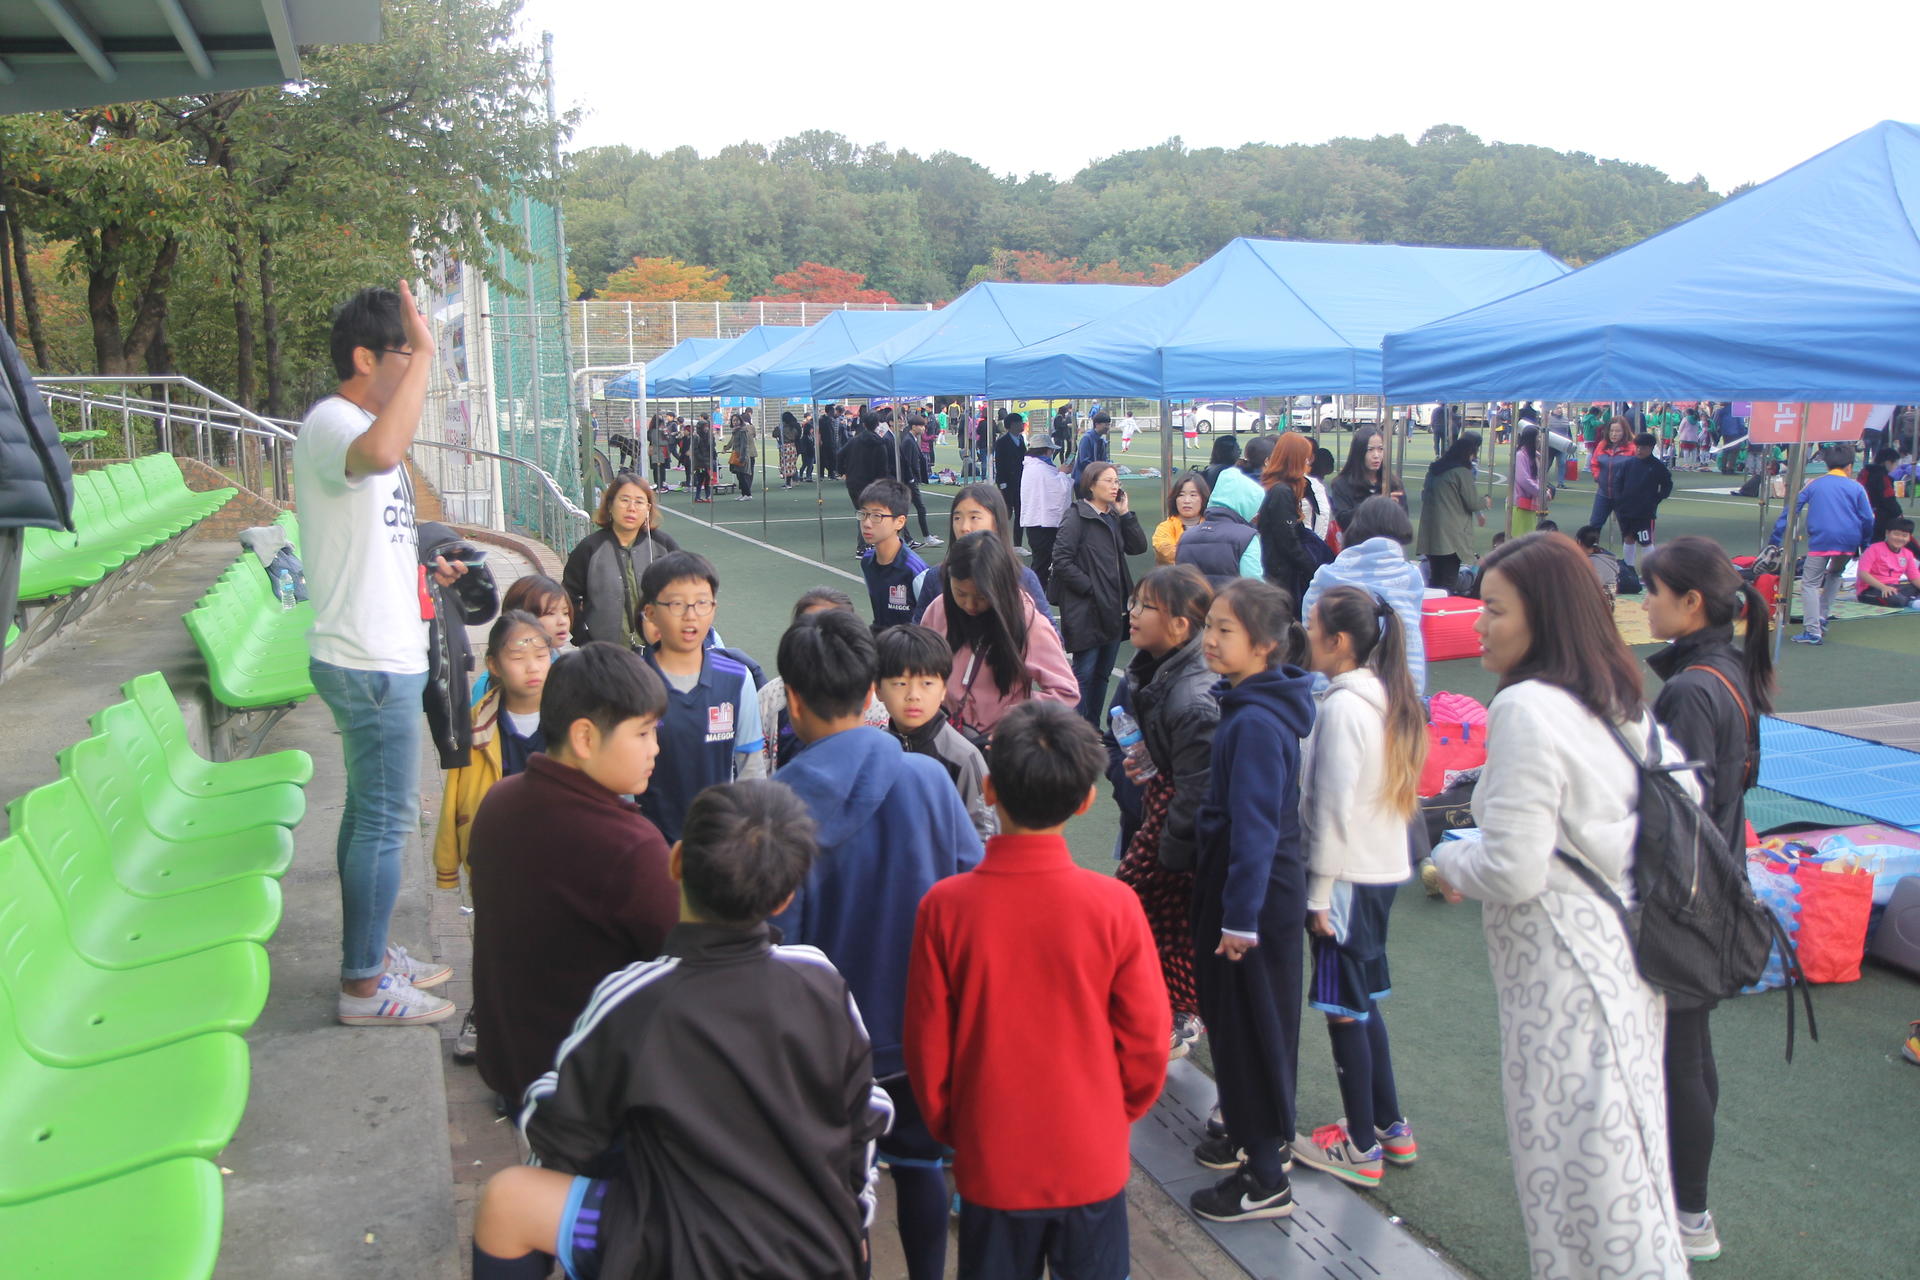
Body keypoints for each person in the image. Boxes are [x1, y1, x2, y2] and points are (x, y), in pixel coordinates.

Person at [474, 780, 889, 1280]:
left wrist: (545, 1089)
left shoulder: (635, 997)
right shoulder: (822, 983)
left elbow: (561, 1131)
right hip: (814, 1249)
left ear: (675, 862)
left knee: (507, 1199)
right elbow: (867, 1115)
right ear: (785, 898)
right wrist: (853, 1221)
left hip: (670, 1251)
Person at [1429, 532, 1693, 1280]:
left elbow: (1513, 869)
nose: (1478, 623)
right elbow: (1683, 798)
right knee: (1624, 1161)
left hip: (1559, 973)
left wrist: (1448, 855)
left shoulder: (1526, 707)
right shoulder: (1616, 694)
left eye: (1494, 609)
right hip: (1624, 953)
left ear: (1541, 617)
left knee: (1571, 1175)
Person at [905, 701, 1167, 1279]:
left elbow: (927, 1045)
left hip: (991, 1155)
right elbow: (1148, 1041)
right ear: (1086, 801)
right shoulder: (1114, 907)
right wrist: (1109, 1114)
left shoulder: (946, 908)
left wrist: (961, 1127)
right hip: (1091, 1158)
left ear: (990, 790)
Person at [771, 609, 983, 1280]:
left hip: (824, 1043)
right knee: (921, 1168)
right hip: (920, 1030)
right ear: (871, 694)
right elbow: (971, 889)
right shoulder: (926, 781)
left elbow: (776, 942)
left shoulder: (774, 806)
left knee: (834, 1185)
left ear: (793, 699)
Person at [296, 283, 464, 1027]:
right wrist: (430, 351)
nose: (419, 363)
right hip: (369, 660)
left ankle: (370, 953)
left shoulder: (357, 430)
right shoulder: (336, 423)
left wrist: (428, 574)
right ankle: (362, 987)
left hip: (380, 652)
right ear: (367, 357)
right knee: (386, 821)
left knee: (369, 813)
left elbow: (375, 539)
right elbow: (387, 448)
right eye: (406, 349)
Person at [1639, 535, 1773, 1264]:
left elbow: (1674, 812)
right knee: (1690, 1051)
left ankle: (1689, 1211)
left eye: (1653, 593)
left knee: (1681, 1056)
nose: (1644, 603)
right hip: (1717, 885)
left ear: (1691, 603)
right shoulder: (1727, 672)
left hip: (1689, 896)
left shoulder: (1693, 688)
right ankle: (1686, 1202)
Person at [469, 642, 680, 1107]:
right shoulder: (630, 845)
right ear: (585, 738)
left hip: (514, 1064)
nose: (656, 748)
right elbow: (681, 958)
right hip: (591, 1084)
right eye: (643, 733)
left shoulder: (500, 801)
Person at [1186, 578, 1315, 1223]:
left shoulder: (1258, 722)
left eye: (1225, 630)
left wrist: (1240, 919)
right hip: (1242, 893)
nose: (1209, 639)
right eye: (1208, 625)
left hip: (1254, 905)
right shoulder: (1245, 706)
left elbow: (1257, 829)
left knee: (1251, 1030)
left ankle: (1266, 1176)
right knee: (1238, 1024)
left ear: (1265, 645)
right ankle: (1248, 1140)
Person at [1291, 586, 1424, 1187]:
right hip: (1375, 872)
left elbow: (1331, 807)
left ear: (1338, 642)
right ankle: (1389, 1126)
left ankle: (1361, 1147)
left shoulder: (1344, 708)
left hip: (1345, 879)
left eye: (1311, 626)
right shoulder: (1384, 696)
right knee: (1362, 1003)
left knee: (1345, 1010)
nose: (1305, 634)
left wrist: (1317, 894)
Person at [1113, 565, 1219, 1061]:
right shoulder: (1156, 665)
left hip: (1180, 823)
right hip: (1165, 808)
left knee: (1149, 906)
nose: (1132, 614)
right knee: (1151, 914)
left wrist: (1171, 853)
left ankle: (1181, 1011)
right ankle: (1168, 1006)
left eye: (1145, 606)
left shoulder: (1194, 697)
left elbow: (1196, 792)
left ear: (1180, 625)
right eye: (1134, 603)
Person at [634, 551, 767, 843]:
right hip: (648, 846)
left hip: (718, 845)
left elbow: (751, 769)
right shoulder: (630, 680)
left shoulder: (736, 678)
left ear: (714, 608)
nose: (691, 615)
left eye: (702, 603)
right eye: (677, 604)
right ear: (651, 612)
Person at [435, 611, 553, 893]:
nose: (532, 667)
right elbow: (454, 794)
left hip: (558, 861)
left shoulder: (573, 721)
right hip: (494, 863)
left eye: (541, 655)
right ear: (494, 665)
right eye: (517, 658)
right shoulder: (473, 725)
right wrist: (447, 864)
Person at [920, 531, 1078, 741]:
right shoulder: (939, 609)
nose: (969, 604)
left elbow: (1065, 691)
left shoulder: (1028, 623)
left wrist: (1013, 721)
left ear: (1000, 588)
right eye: (960, 593)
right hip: (944, 735)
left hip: (996, 746)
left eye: (981, 596)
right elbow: (919, 665)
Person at [877, 624, 996, 842]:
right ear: (878, 690)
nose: (913, 695)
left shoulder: (963, 758)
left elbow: (985, 837)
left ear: (943, 690)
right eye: (900, 683)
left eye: (927, 683)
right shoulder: (873, 752)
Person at [1052, 460, 1149, 723]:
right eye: (1108, 480)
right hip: (1087, 609)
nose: (1115, 486)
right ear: (1090, 484)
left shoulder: (1114, 516)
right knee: (1084, 673)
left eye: (1117, 481)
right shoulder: (1076, 515)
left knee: (1102, 674)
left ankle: (1092, 727)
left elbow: (1138, 547)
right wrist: (1091, 588)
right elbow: (1061, 561)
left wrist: (1126, 514)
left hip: (1114, 609)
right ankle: (1076, 731)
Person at [1302, 496, 1428, 693]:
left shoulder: (1325, 576)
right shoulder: (1410, 577)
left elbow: (1307, 628)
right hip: (1397, 689)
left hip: (1326, 688)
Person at [1772, 442, 1875, 644]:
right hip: (1849, 540)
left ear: (1827, 464)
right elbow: (1868, 518)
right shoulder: (1856, 487)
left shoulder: (1815, 484)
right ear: (1849, 466)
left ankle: (1812, 630)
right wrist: (1865, 541)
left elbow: (1792, 509)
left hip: (1822, 540)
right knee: (1835, 574)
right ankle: (1822, 616)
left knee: (1810, 583)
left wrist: (1775, 538)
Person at [563, 472, 680, 649]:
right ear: (610, 505)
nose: (631, 508)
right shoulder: (589, 548)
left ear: (648, 509)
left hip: (659, 653)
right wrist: (583, 637)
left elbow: (685, 591)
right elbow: (567, 598)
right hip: (605, 655)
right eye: (624, 500)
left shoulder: (664, 545)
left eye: (639, 502)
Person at [909, 483, 1051, 626]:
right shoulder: (936, 577)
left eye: (974, 517)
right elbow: (920, 633)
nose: (964, 527)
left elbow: (1050, 636)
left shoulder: (1023, 577)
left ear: (996, 522)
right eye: (957, 518)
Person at [1256, 433, 1326, 602]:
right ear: (1295, 460)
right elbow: (1288, 541)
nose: (1308, 464)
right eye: (1305, 459)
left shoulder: (1277, 488)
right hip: (1281, 577)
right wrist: (1312, 568)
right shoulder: (1282, 492)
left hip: (1278, 572)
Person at [1415, 431, 1488, 593]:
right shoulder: (1462, 472)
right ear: (1468, 453)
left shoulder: (1434, 470)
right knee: (1449, 581)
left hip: (1430, 534)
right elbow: (1472, 502)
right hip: (1451, 537)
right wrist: (1485, 502)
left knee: (1435, 579)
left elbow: (1423, 495)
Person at [857, 478, 930, 631]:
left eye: (877, 516)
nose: (867, 523)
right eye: (863, 514)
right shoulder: (867, 561)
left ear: (900, 522)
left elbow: (932, 624)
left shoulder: (916, 571)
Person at [1175, 460, 1265, 585]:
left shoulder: (1186, 536)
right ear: (1247, 505)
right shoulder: (1247, 537)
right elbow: (1253, 586)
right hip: (1233, 604)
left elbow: (1180, 585)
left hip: (1194, 604)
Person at [1020, 438, 1075, 593]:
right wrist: (1063, 474)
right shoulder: (1039, 468)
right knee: (1042, 563)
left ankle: (1036, 593)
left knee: (1042, 561)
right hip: (1042, 522)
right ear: (1046, 450)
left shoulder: (1034, 466)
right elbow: (1058, 490)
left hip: (1037, 521)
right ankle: (1035, 594)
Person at [1613, 432, 1674, 571]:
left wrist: (1658, 498)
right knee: (1628, 538)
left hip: (1644, 512)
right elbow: (1618, 482)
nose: (1639, 450)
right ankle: (1629, 569)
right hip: (1626, 509)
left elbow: (1667, 484)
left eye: (1643, 448)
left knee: (1646, 541)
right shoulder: (1628, 464)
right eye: (1638, 447)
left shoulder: (1657, 466)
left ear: (1651, 448)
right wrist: (1619, 499)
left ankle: (1650, 571)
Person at [1327, 427, 1405, 532]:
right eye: (1370, 450)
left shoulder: (1394, 484)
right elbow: (1343, 521)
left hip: (1388, 546)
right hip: (1356, 545)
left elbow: (1403, 524)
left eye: (1380, 449)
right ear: (1359, 452)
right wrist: (1375, 506)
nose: (1376, 455)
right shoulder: (1342, 484)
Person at [1588, 416, 1638, 532]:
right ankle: (1592, 548)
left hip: (1623, 495)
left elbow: (1637, 469)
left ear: (1624, 432)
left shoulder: (1632, 447)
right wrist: (1597, 476)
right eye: (1611, 431)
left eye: (1618, 431)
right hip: (1603, 493)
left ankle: (1628, 549)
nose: (1614, 434)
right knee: (1594, 524)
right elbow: (1594, 463)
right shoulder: (1602, 445)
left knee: (1627, 528)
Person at [1856, 517, 1920, 608]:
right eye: (1896, 534)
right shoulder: (1874, 549)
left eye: (1904, 535)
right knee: (1895, 599)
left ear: (1909, 538)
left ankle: (1911, 600)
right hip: (1872, 589)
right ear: (1887, 533)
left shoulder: (1907, 554)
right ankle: (1911, 602)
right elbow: (1863, 573)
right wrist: (1883, 587)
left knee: (1915, 588)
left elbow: (1915, 578)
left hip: (1894, 588)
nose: (1900, 538)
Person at [1153, 470, 1210, 565]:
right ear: (1174, 499)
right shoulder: (1165, 528)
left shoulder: (1211, 527)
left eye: (1193, 495)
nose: (1187, 500)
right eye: (1181, 495)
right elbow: (1166, 552)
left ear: (1203, 498)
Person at [897, 416, 937, 545]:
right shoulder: (908, 441)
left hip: (911, 480)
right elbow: (907, 462)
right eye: (921, 426)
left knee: (910, 509)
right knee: (916, 508)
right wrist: (911, 479)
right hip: (909, 481)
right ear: (914, 426)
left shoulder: (911, 439)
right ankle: (923, 537)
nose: (923, 428)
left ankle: (916, 537)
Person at [992, 410, 1028, 548]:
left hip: (1020, 482)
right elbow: (999, 463)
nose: (1022, 425)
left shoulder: (1021, 439)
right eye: (1019, 423)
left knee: (1020, 512)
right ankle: (997, 541)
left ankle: (1017, 545)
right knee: (1005, 513)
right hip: (1006, 482)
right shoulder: (1002, 442)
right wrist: (1002, 483)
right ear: (1012, 425)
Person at [1859, 445, 1904, 543]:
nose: (1895, 467)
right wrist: (1898, 513)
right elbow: (1888, 498)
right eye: (1895, 464)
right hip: (1877, 516)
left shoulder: (1864, 472)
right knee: (1877, 541)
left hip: (1861, 513)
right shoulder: (1882, 477)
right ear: (1888, 462)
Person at [1512, 424, 1548, 535]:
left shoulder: (1533, 455)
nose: (1540, 440)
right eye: (1538, 437)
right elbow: (1524, 480)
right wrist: (1541, 492)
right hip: (1520, 503)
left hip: (1530, 502)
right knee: (1521, 537)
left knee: (1528, 534)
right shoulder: (1521, 455)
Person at [1576, 523, 1621, 606]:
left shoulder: (1589, 562)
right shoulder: (1608, 558)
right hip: (1610, 606)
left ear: (1579, 542)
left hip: (1596, 608)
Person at [1075, 410, 1113, 485]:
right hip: (1084, 480)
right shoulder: (1087, 438)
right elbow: (1084, 461)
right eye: (1106, 424)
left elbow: (1103, 460)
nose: (1108, 427)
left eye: (1109, 424)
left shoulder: (1101, 440)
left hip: (1095, 478)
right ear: (1097, 424)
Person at [688, 415, 715, 503]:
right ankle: (698, 497)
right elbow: (695, 450)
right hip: (699, 463)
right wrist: (701, 458)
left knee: (707, 479)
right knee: (700, 480)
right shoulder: (696, 437)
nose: (706, 428)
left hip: (707, 461)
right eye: (705, 427)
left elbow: (712, 447)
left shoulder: (708, 436)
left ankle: (707, 496)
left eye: (707, 426)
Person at [646, 413, 672, 489]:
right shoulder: (653, 431)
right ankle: (659, 485)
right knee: (658, 468)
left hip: (661, 451)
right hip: (657, 451)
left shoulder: (654, 430)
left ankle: (661, 483)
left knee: (660, 467)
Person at [779, 410, 802, 488]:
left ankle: (790, 481)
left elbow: (775, 433)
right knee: (792, 464)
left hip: (786, 447)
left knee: (787, 465)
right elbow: (798, 435)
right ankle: (794, 480)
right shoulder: (796, 426)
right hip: (794, 446)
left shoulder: (783, 428)